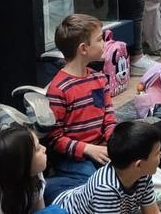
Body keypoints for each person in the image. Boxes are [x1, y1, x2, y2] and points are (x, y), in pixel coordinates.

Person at [43, 14, 117, 202]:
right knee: (98, 186)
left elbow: (108, 116)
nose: (105, 43)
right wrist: (87, 149)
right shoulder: (59, 89)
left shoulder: (99, 79)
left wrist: (115, 142)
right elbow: (54, 138)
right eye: (100, 39)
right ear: (83, 48)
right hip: (74, 157)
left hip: (101, 148)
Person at [51, 122, 161, 214]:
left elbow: (153, 212)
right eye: (157, 153)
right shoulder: (106, 189)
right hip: (63, 209)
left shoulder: (143, 174)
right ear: (138, 165)